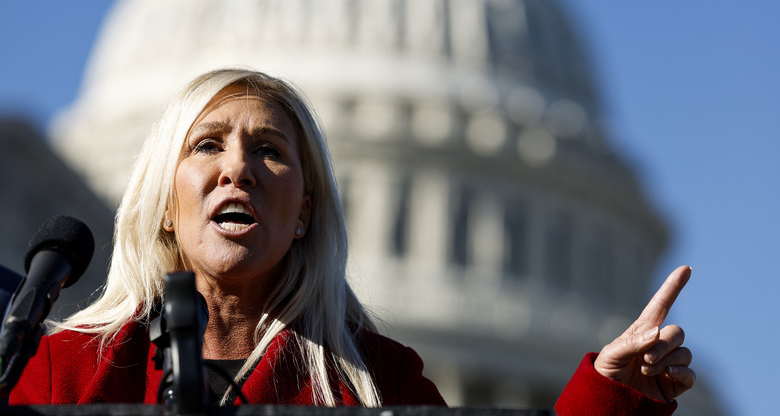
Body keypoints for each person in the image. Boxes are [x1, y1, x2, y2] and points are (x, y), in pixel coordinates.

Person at [8, 68, 694, 413]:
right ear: (163, 203)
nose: (237, 168)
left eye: (270, 151)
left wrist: (608, 399)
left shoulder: (378, 381)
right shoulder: (60, 372)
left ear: (305, 212)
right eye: (208, 145)